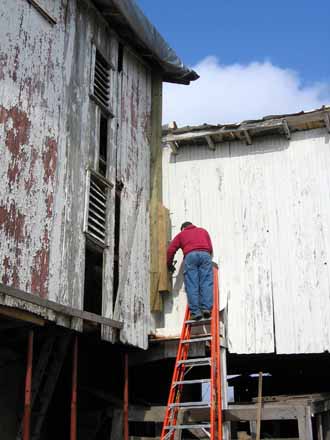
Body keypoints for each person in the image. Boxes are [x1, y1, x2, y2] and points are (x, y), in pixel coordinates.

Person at [167, 222, 214, 320]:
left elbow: (171, 249)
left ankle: (196, 312)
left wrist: (169, 264)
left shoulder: (181, 234)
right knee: (206, 282)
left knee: (192, 284)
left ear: (183, 228)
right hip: (205, 255)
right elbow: (210, 247)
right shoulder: (203, 231)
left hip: (190, 256)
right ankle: (206, 309)